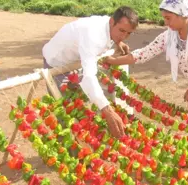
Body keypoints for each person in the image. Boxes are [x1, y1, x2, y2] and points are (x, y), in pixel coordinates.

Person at [104, 0, 188, 148]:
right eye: (164, 17)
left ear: (183, 15)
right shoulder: (170, 36)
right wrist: (112, 61)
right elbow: (145, 53)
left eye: (168, 18)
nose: (165, 22)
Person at [42, 6, 139, 139]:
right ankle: (71, 154)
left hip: (77, 61)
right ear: (112, 22)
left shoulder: (109, 25)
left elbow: (116, 33)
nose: (124, 36)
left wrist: (118, 41)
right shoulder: (93, 36)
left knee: (84, 105)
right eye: (121, 31)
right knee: (65, 111)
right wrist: (108, 112)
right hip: (57, 64)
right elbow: (89, 77)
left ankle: (93, 141)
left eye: (128, 33)